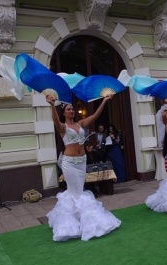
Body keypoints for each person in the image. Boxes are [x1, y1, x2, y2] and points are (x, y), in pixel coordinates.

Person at [45, 95, 121, 241]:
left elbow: (94, 116)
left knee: (78, 191)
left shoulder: (80, 124)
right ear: (64, 113)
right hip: (69, 162)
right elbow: (55, 121)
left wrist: (104, 101)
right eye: (68, 109)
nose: (71, 111)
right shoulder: (63, 127)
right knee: (75, 193)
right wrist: (52, 105)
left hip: (82, 161)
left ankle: (78, 220)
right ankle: (71, 225)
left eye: (72, 109)